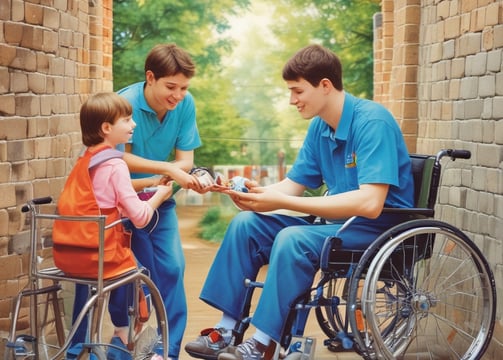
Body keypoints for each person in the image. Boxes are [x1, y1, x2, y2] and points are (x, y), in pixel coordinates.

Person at [184, 44, 415, 360]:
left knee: (293, 239)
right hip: (336, 225)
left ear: (324, 85)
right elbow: (293, 186)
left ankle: (264, 343)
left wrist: (285, 202)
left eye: (297, 91)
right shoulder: (320, 126)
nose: (292, 100)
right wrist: (257, 196)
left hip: (378, 228)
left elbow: (370, 203)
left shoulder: (372, 122)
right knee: (245, 225)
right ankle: (226, 330)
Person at [52, 92, 173, 359]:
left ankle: (77, 345)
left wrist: (147, 188)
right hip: (101, 255)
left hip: (72, 252)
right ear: (107, 128)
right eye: (127, 120)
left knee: (91, 277)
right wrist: (159, 196)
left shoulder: (85, 161)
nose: (134, 124)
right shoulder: (116, 165)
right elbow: (140, 217)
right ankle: (124, 335)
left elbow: (107, 200)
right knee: (139, 272)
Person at [117, 43, 205, 360]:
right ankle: (121, 345)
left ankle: (165, 352)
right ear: (150, 78)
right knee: (136, 274)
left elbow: (185, 161)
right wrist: (165, 169)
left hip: (160, 197)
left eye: (183, 87)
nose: (178, 94)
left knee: (173, 269)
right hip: (123, 201)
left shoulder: (185, 104)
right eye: (171, 86)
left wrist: (167, 177)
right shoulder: (124, 103)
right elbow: (118, 162)